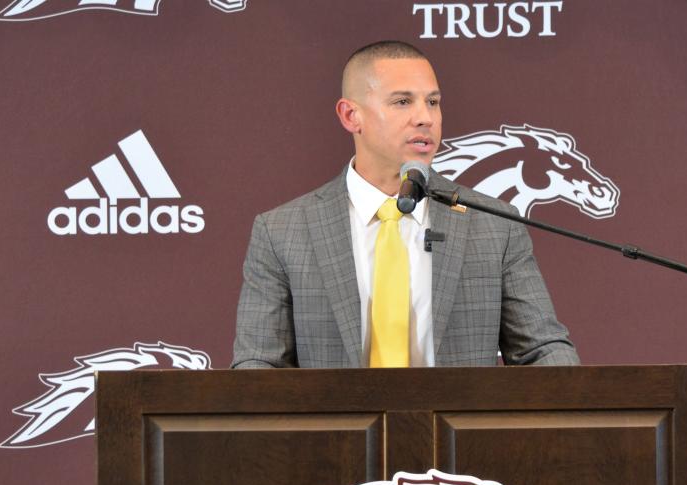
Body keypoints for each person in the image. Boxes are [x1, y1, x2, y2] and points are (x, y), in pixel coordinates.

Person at [232, 41, 578, 368]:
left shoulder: (493, 224)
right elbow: (260, 366)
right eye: (402, 102)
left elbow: (541, 349)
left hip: (455, 432)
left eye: (432, 102)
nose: (425, 118)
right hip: (337, 433)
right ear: (351, 115)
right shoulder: (282, 232)